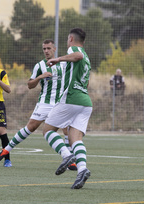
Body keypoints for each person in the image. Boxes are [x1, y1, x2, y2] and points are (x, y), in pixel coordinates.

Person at [0, 39, 76, 171]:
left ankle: (69, 161)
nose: (46, 51)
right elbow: (30, 85)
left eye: (49, 48)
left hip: (60, 103)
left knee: (67, 128)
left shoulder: (63, 65)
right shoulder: (39, 66)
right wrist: (40, 77)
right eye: (44, 49)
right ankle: (6, 150)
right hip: (44, 103)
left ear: (54, 49)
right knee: (31, 127)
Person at [44, 28, 92, 189]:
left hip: (72, 97)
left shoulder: (75, 50)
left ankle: (66, 155)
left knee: (48, 130)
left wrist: (58, 59)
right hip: (85, 101)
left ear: (71, 38)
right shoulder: (87, 57)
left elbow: (76, 55)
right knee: (75, 139)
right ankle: (82, 170)